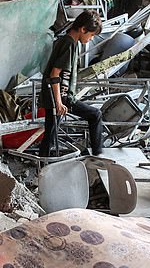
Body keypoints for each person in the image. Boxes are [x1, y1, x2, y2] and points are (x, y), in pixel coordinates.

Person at [39, 10, 104, 157]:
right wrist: (59, 102)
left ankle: (42, 163)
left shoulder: (71, 42)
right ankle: (97, 155)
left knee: (50, 134)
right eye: (91, 35)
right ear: (83, 29)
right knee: (95, 115)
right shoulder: (68, 44)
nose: (91, 39)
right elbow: (54, 74)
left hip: (59, 97)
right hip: (60, 98)